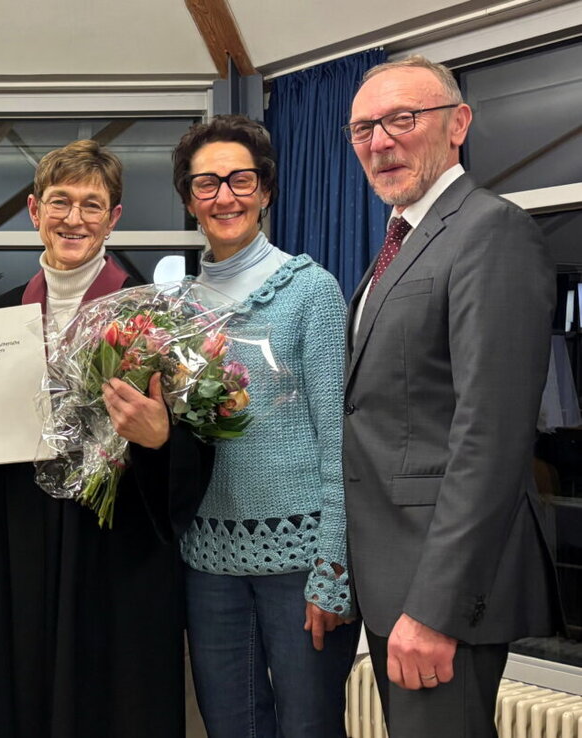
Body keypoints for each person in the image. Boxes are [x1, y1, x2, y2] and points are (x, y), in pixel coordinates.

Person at [0, 139, 213, 738]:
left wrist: (162, 438)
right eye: (60, 202)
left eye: (92, 204)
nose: (74, 218)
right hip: (21, 537)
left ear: (113, 218)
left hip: (118, 546)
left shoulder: (156, 319)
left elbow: (194, 448)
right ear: (35, 212)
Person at [343, 55, 559, 737]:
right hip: (391, 580)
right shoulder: (399, 244)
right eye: (363, 130)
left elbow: (489, 436)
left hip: (438, 593)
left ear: (458, 123)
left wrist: (436, 607)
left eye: (402, 119)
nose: (380, 142)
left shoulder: (489, 230)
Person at [171, 115, 359, 738]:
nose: (225, 196)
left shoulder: (312, 292)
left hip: (300, 561)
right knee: (232, 727)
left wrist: (333, 569)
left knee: (309, 728)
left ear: (266, 190)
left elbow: (339, 441)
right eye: (206, 184)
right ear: (190, 200)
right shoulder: (174, 311)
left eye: (240, 179)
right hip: (207, 561)